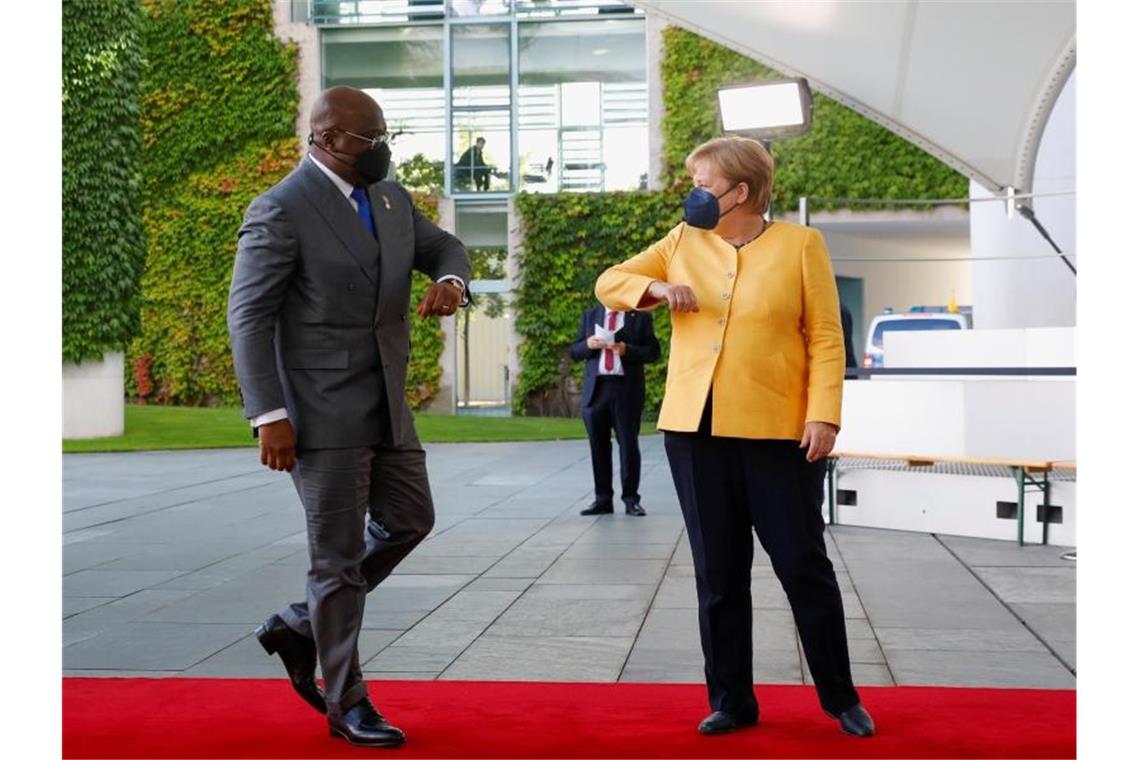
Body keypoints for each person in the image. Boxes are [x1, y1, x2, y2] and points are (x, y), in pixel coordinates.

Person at [594, 136, 875, 739]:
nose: (692, 192)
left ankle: (840, 696)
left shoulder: (802, 244)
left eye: (702, 182)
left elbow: (826, 337)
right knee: (717, 574)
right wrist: (657, 289)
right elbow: (609, 281)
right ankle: (732, 700)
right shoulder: (681, 242)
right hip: (694, 433)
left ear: (740, 191)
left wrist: (824, 413)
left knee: (803, 565)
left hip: (780, 433)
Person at [227, 86, 471, 748]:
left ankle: (301, 624)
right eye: (372, 139)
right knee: (335, 561)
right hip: (317, 415)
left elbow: (445, 247)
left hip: (388, 403)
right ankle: (346, 702)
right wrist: (268, 414)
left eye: (388, 135)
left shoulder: (391, 201)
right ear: (328, 138)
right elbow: (248, 316)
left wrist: (451, 283)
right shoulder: (279, 209)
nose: (383, 150)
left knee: (412, 519)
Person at [570, 301, 661, 516]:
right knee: (598, 447)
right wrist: (589, 345)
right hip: (597, 390)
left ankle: (631, 499)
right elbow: (575, 351)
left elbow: (653, 352)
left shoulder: (639, 317)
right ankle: (602, 500)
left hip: (625, 390)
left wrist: (626, 349)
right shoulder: (590, 315)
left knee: (628, 445)